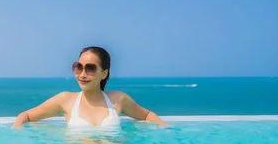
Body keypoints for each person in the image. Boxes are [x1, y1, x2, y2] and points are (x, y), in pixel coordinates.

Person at [12, 46, 168, 129]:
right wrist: (17, 130)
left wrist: (164, 127)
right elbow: (26, 115)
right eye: (78, 67)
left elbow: (146, 115)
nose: (82, 74)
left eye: (90, 68)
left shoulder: (118, 99)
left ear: (104, 73)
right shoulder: (65, 99)